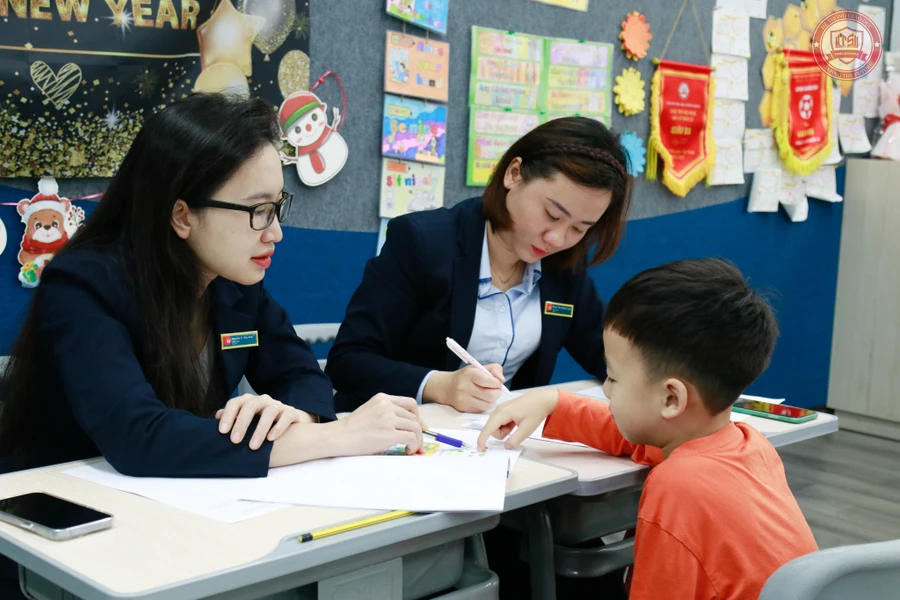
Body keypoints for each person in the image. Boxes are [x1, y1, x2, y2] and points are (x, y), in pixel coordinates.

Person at [0, 93, 424, 481]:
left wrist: (294, 419)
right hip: (62, 513)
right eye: (258, 210)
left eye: (277, 207)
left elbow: (299, 374)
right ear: (181, 215)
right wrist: (336, 436)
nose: (274, 232)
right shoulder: (82, 285)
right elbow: (138, 438)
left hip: (181, 501)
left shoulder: (234, 282)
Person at [477, 258, 819, 600]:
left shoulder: (679, 486)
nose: (607, 390)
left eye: (612, 377)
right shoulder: (746, 444)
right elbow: (633, 435)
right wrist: (555, 404)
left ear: (671, 398)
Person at [326, 117, 633, 414]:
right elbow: (349, 361)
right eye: (552, 214)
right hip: (396, 434)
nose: (557, 238)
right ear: (514, 173)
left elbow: (607, 357)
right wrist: (440, 386)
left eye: (580, 229)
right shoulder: (423, 242)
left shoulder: (564, 268)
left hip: (493, 445)